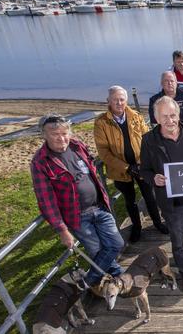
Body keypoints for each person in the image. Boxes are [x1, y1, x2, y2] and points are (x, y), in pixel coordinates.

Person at [31, 114, 124, 287]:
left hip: (100, 206)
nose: (61, 138)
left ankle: (89, 281)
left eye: (64, 133)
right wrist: (62, 230)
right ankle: (118, 277)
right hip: (78, 216)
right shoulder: (40, 162)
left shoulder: (77, 146)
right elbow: (46, 201)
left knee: (116, 243)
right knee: (97, 251)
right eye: (54, 134)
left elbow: (92, 171)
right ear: (44, 135)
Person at [139, 97, 183, 294]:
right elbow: (144, 170)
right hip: (171, 202)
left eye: (173, 115)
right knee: (178, 241)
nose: (170, 120)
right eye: (165, 117)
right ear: (156, 118)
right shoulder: (149, 140)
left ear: (178, 115)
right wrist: (154, 178)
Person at [94, 86, 168, 243]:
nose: (119, 103)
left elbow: (148, 140)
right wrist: (127, 167)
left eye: (122, 99)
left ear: (126, 100)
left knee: (150, 196)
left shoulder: (135, 116)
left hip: (142, 167)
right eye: (115, 99)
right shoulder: (101, 123)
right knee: (130, 200)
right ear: (108, 101)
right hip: (120, 170)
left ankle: (157, 222)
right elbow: (103, 152)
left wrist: (144, 163)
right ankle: (137, 227)